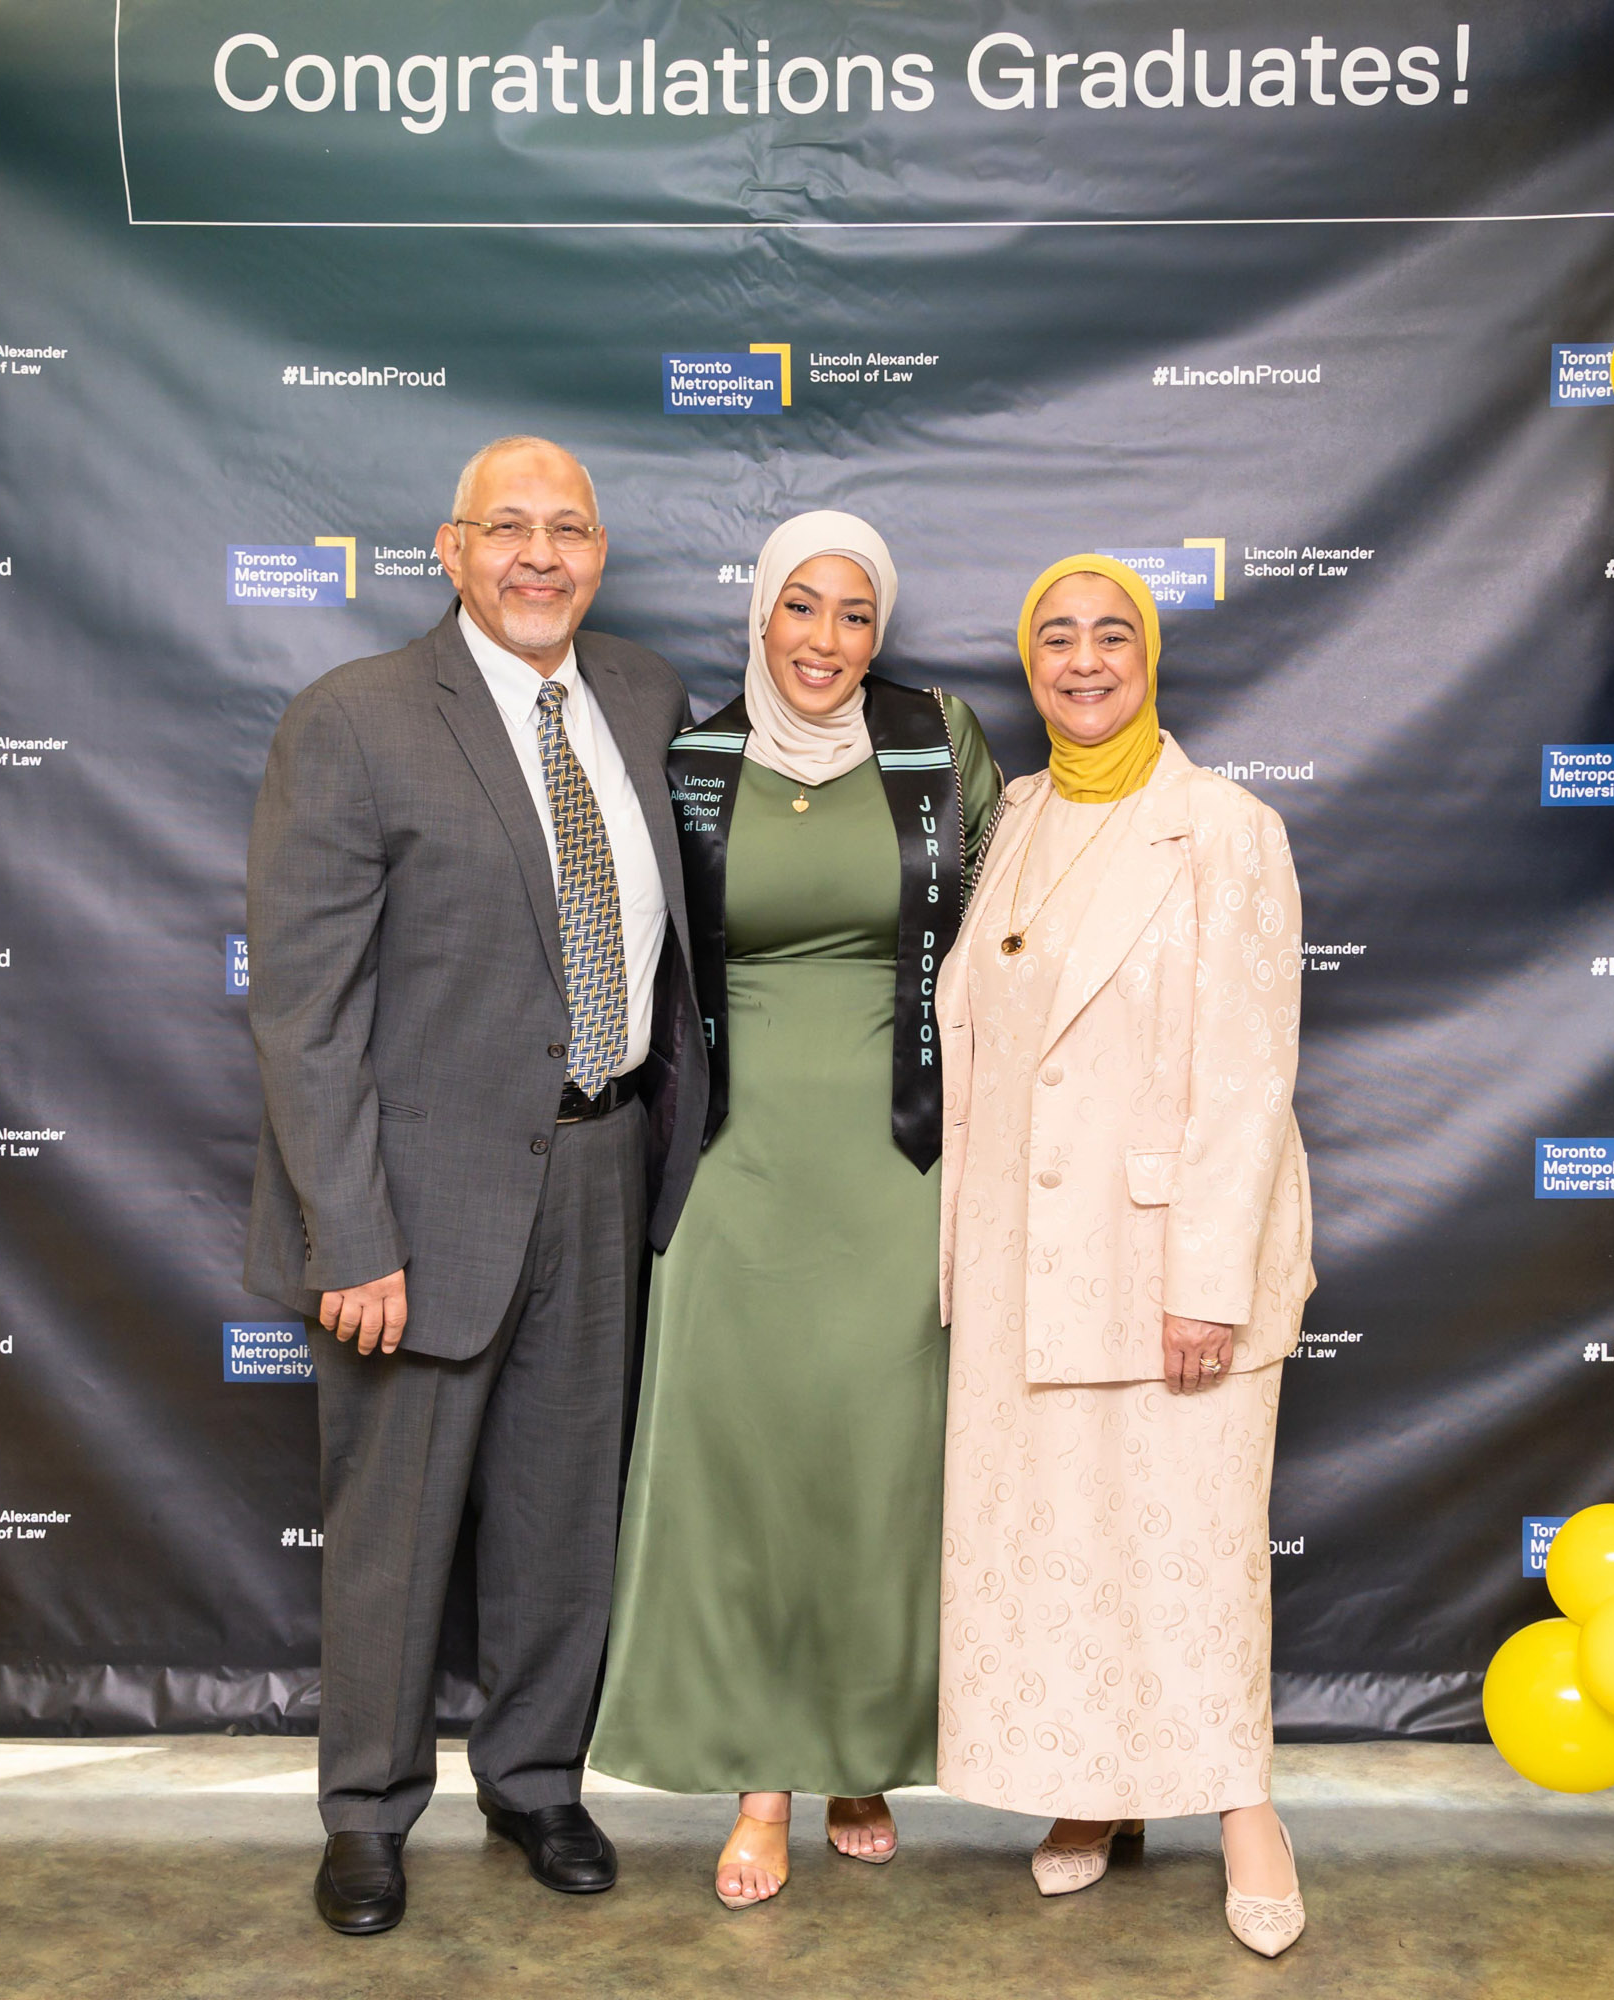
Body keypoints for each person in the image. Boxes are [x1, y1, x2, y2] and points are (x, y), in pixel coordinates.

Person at [245, 436, 706, 1937]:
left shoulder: (640, 697)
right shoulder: (357, 720)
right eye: (506, 528)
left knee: (563, 1512)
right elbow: (305, 1011)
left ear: (599, 553)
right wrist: (350, 1234)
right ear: (450, 552)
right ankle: (369, 1814)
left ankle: (535, 1779)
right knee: (391, 1531)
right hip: (414, 1199)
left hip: (600, 1160)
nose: (539, 555)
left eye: (567, 529)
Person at [589, 511, 1003, 1908]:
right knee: (751, 1478)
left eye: (854, 616)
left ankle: (862, 1753)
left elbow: (1018, 936)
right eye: (800, 610)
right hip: (736, 1168)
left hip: (900, 1165)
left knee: (878, 1473)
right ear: (759, 618)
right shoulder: (693, 761)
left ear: (879, 633)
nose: (825, 641)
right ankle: (768, 1779)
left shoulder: (938, 748)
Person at [933, 555, 1315, 1960]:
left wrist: (1207, 1281)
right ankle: (1094, 1794)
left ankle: (1244, 1810)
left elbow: (1248, 1073)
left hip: (1164, 1262)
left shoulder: (1224, 828)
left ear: (1148, 655)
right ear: (1029, 667)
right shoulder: (1016, 817)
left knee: (1195, 1551)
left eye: (1111, 636)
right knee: (1060, 1552)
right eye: (1055, 639)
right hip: (1028, 1255)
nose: (1085, 661)